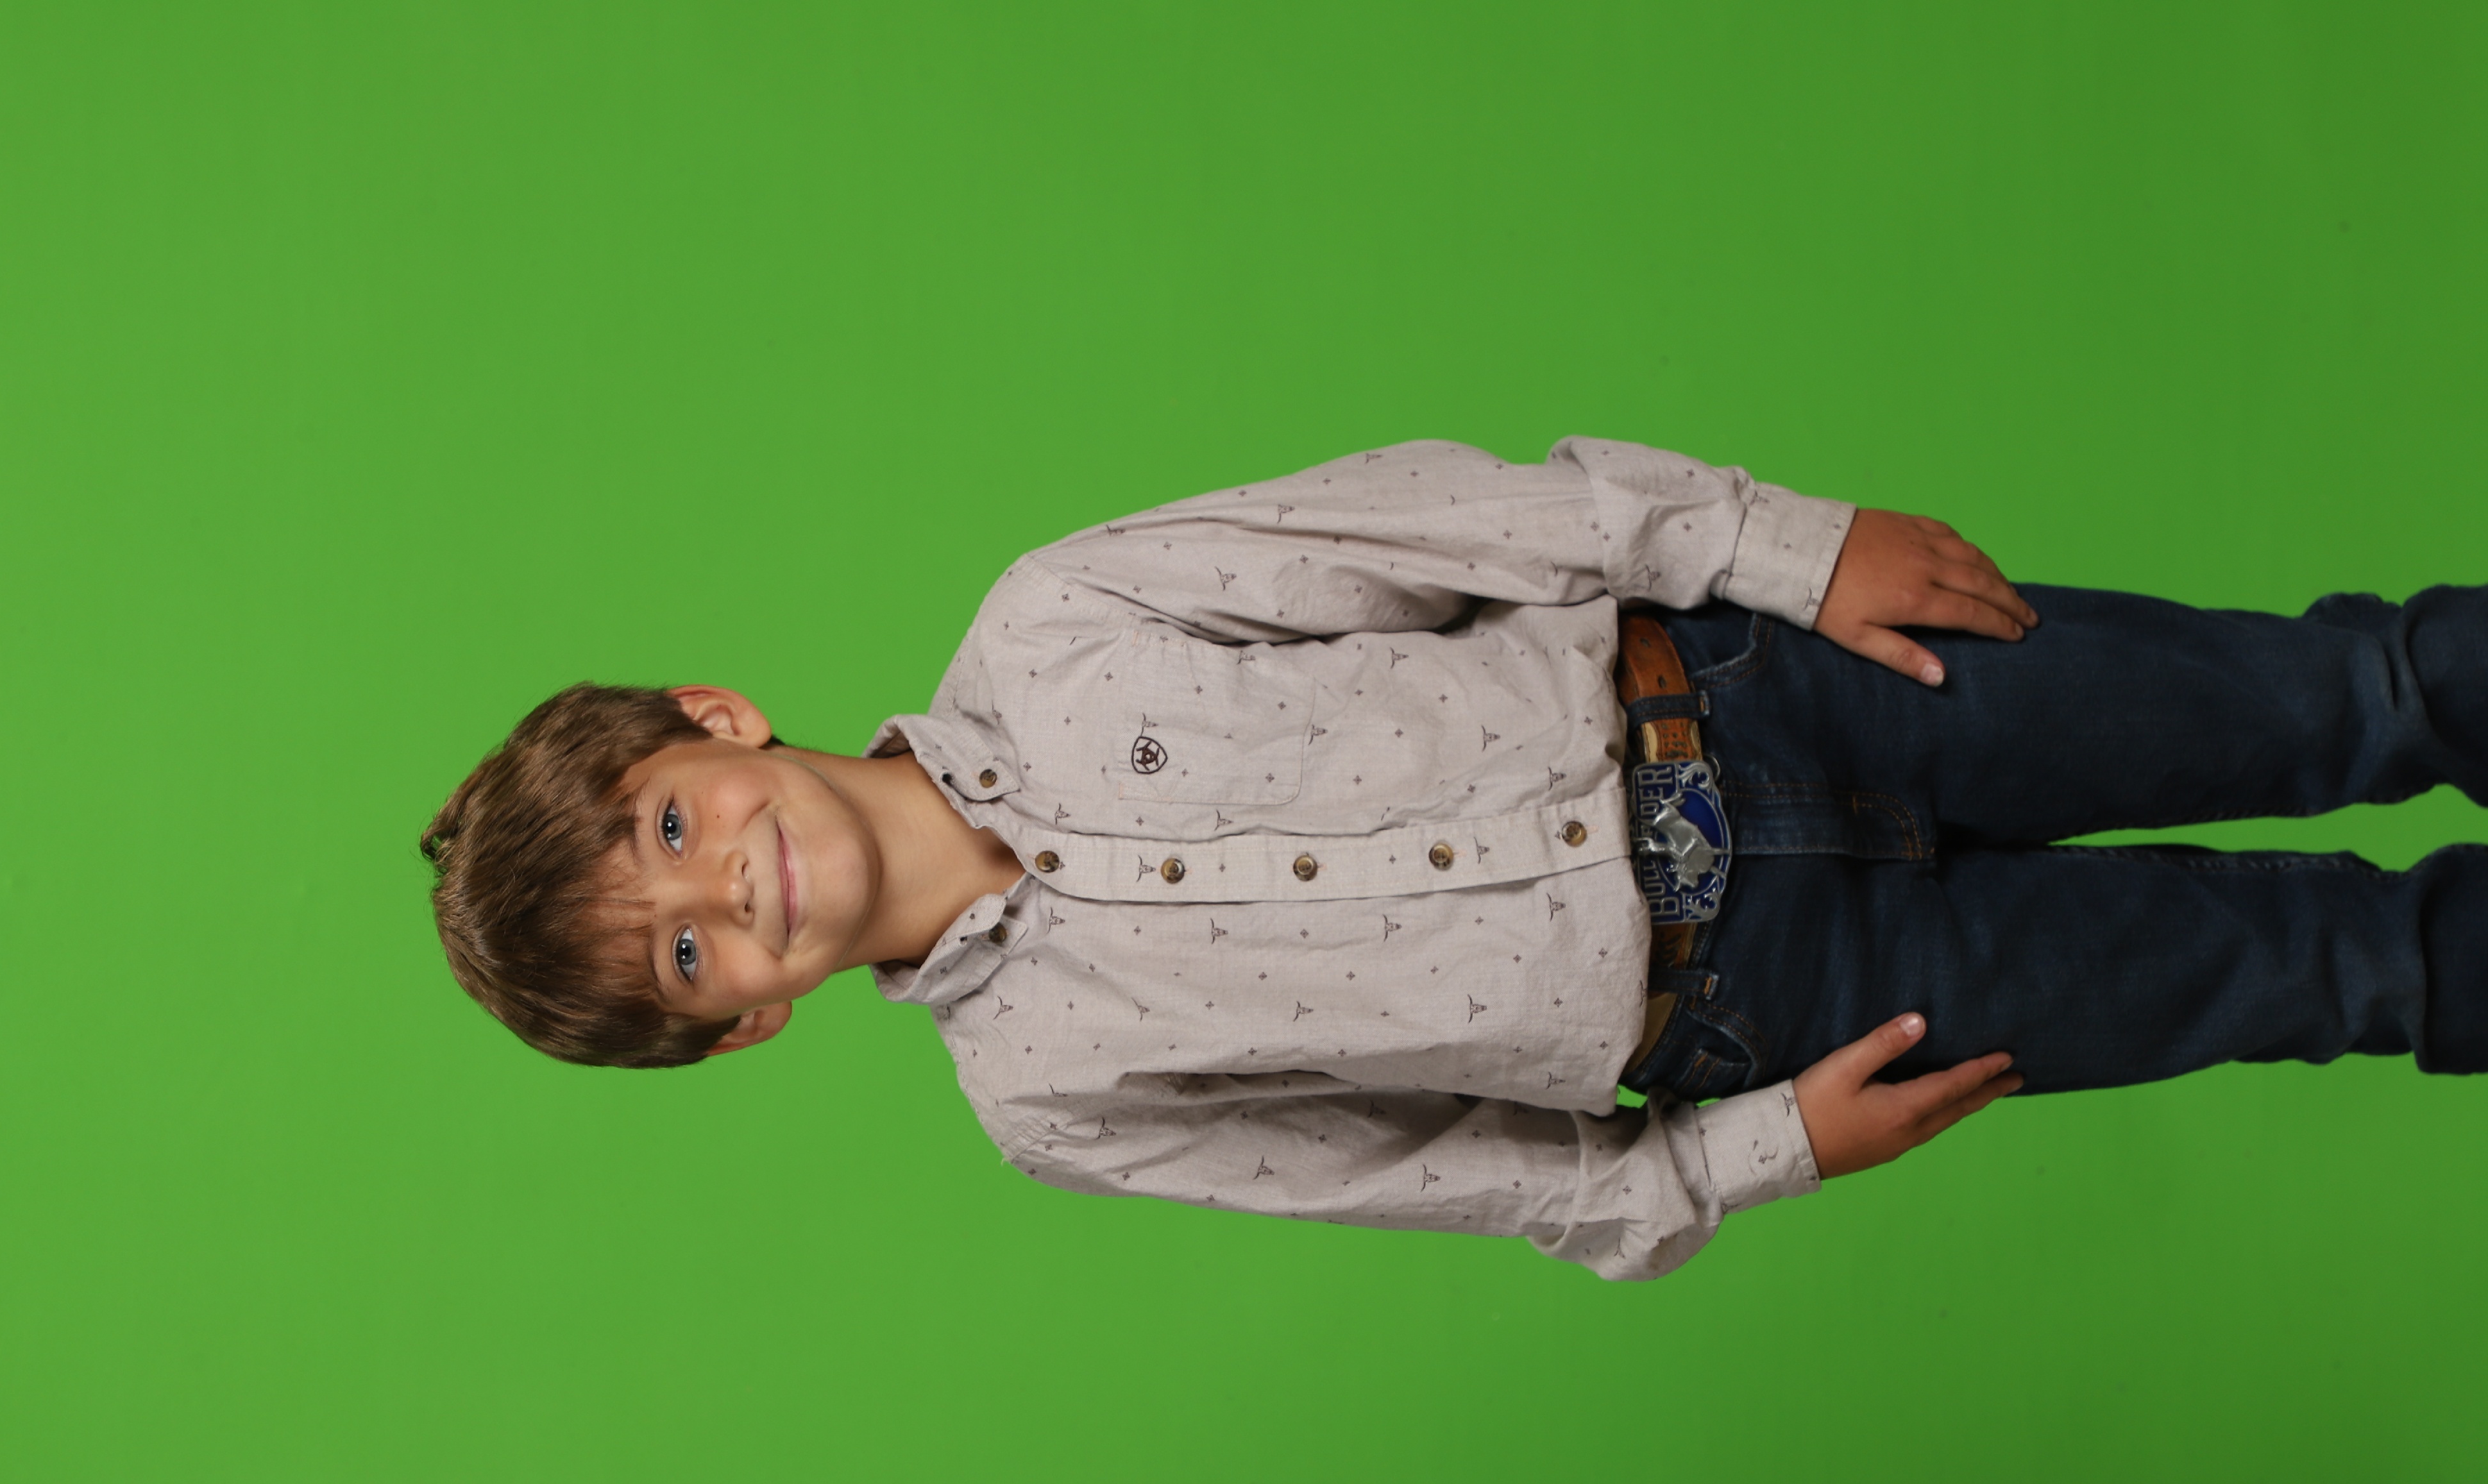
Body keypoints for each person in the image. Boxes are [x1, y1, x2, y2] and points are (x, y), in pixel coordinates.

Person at [421, 439, 2488, 1279]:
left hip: (1766, 693)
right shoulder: (1044, 1099)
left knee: (2346, 694)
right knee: (2340, 974)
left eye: (670, 831)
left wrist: (1784, 549)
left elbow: (1437, 527)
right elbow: (1435, 1172)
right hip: (1779, 1003)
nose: (725, 893)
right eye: (685, 957)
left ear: (712, 720)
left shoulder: (1057, 619)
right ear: (746, 1030)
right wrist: (1753, 1154)